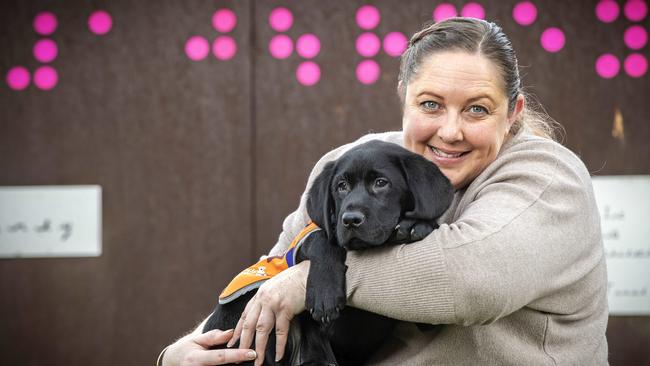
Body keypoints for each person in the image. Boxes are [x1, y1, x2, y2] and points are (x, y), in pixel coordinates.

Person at [160, 17, 609, 365]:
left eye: (477, 109)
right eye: (430, 104)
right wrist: (188, 349)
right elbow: (273, 275)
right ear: (404, 98)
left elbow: (470, 281)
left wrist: (314, 276)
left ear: (513, 113)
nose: (450, 131)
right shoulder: (355, 161)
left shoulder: (547, 177)